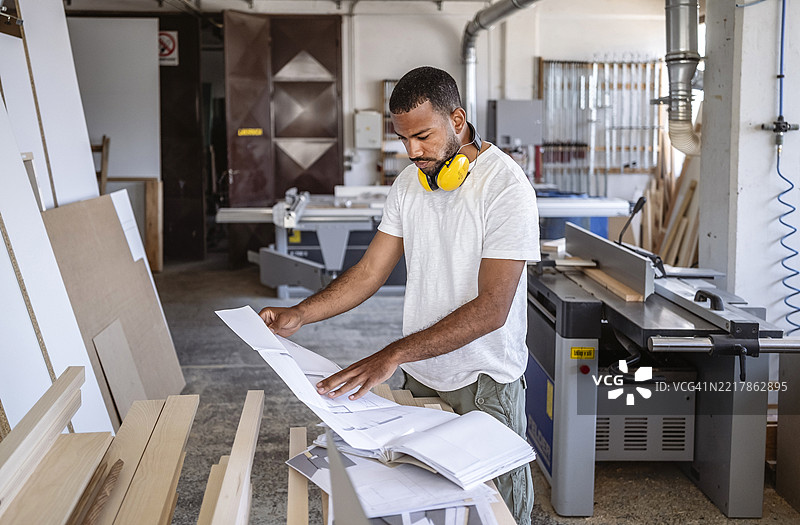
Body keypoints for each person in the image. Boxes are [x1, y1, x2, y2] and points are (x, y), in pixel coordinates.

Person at [260, 66, 539, 524]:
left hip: (484, 381)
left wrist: (391, 354)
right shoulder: (410, 184)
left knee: (498, 512)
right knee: (428, 505)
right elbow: (370, 271)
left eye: (423, 136)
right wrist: (301, 314)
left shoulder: (505, 188)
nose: (413, 152)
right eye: (404, 140)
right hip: (421, 377)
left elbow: (493, 309)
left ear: (458, 119)